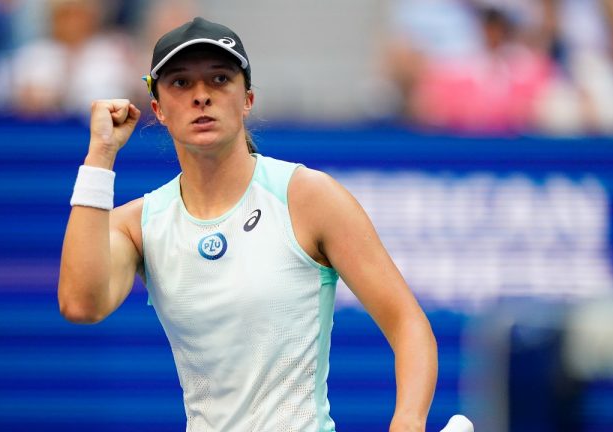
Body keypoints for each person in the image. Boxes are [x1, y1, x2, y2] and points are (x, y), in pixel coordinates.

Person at [58, 17, 437, 431]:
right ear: (158, 110)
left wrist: (409, 420)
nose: (201, 96)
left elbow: (409, 325)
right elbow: (81, 305)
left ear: (247, 100)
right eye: (181, 83)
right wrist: (100, 155)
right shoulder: (138, 223)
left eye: (219, 79)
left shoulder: (308, 197)